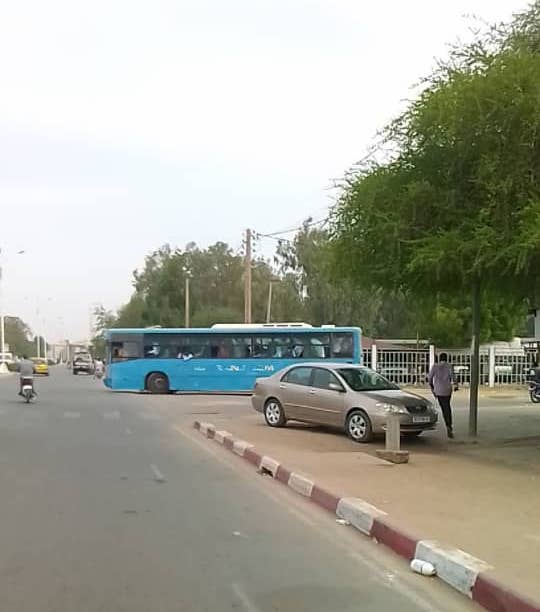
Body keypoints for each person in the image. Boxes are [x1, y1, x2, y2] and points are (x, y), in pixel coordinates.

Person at [428, 352, 455, 439]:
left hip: (438, 390)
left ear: (439, 358)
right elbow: (453, 377)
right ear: (446, 358)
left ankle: (448, 424)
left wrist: (432, 388)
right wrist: (456, 384)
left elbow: (429, 378)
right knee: (447, 406)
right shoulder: (449, 366)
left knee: (443, 407)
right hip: (447, 389)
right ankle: (449, 425)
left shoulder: (435, 366)